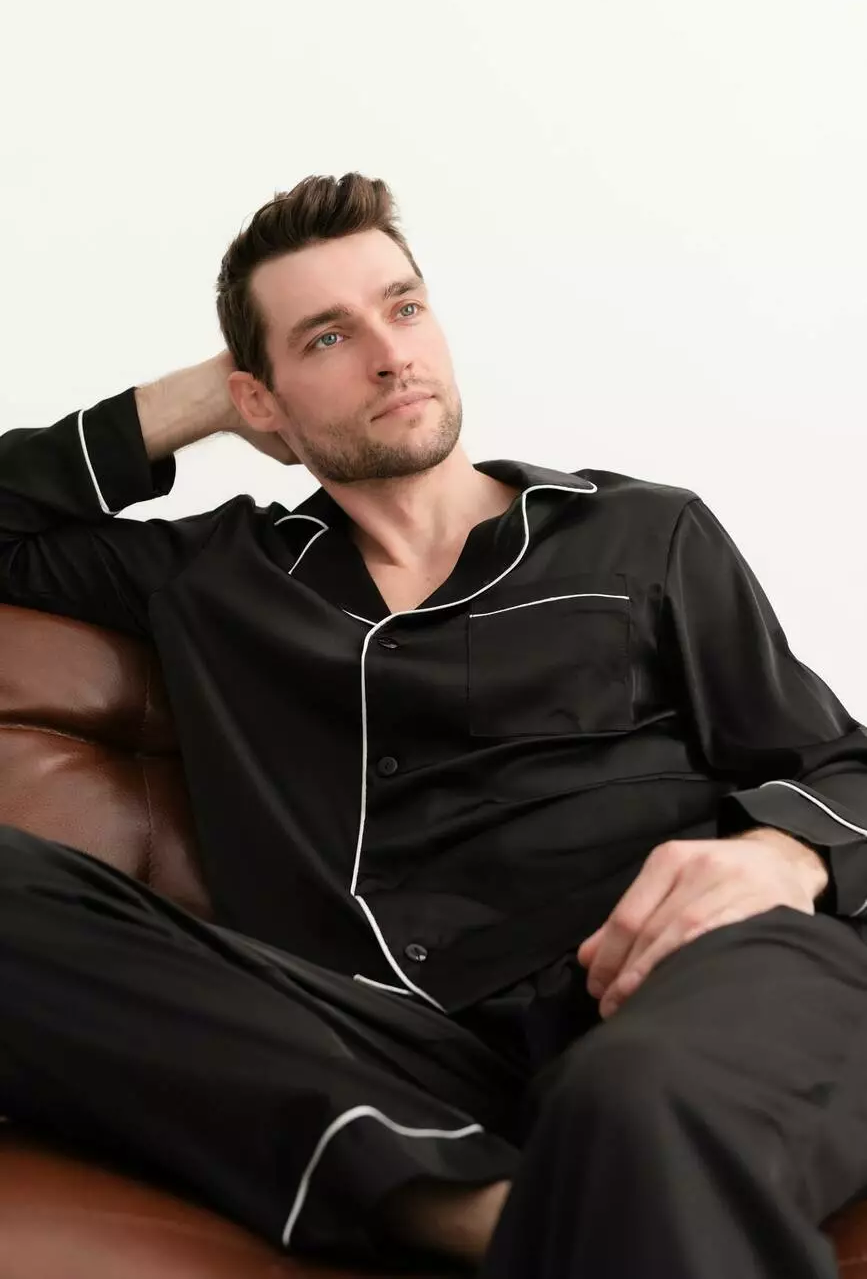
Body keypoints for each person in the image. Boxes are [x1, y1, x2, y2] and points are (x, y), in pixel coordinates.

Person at [1, 172, 867, 1279]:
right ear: (260, 402)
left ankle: (534, 1207)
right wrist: (195, 402)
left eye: (403, 307)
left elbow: (837, 758)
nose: (390, 354)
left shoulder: (640, 533)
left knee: (630, 1100)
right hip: (390, 1056)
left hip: (673, 980)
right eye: (327, 337)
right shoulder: (214, 576)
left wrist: (783, 853)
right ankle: (484, 1207)